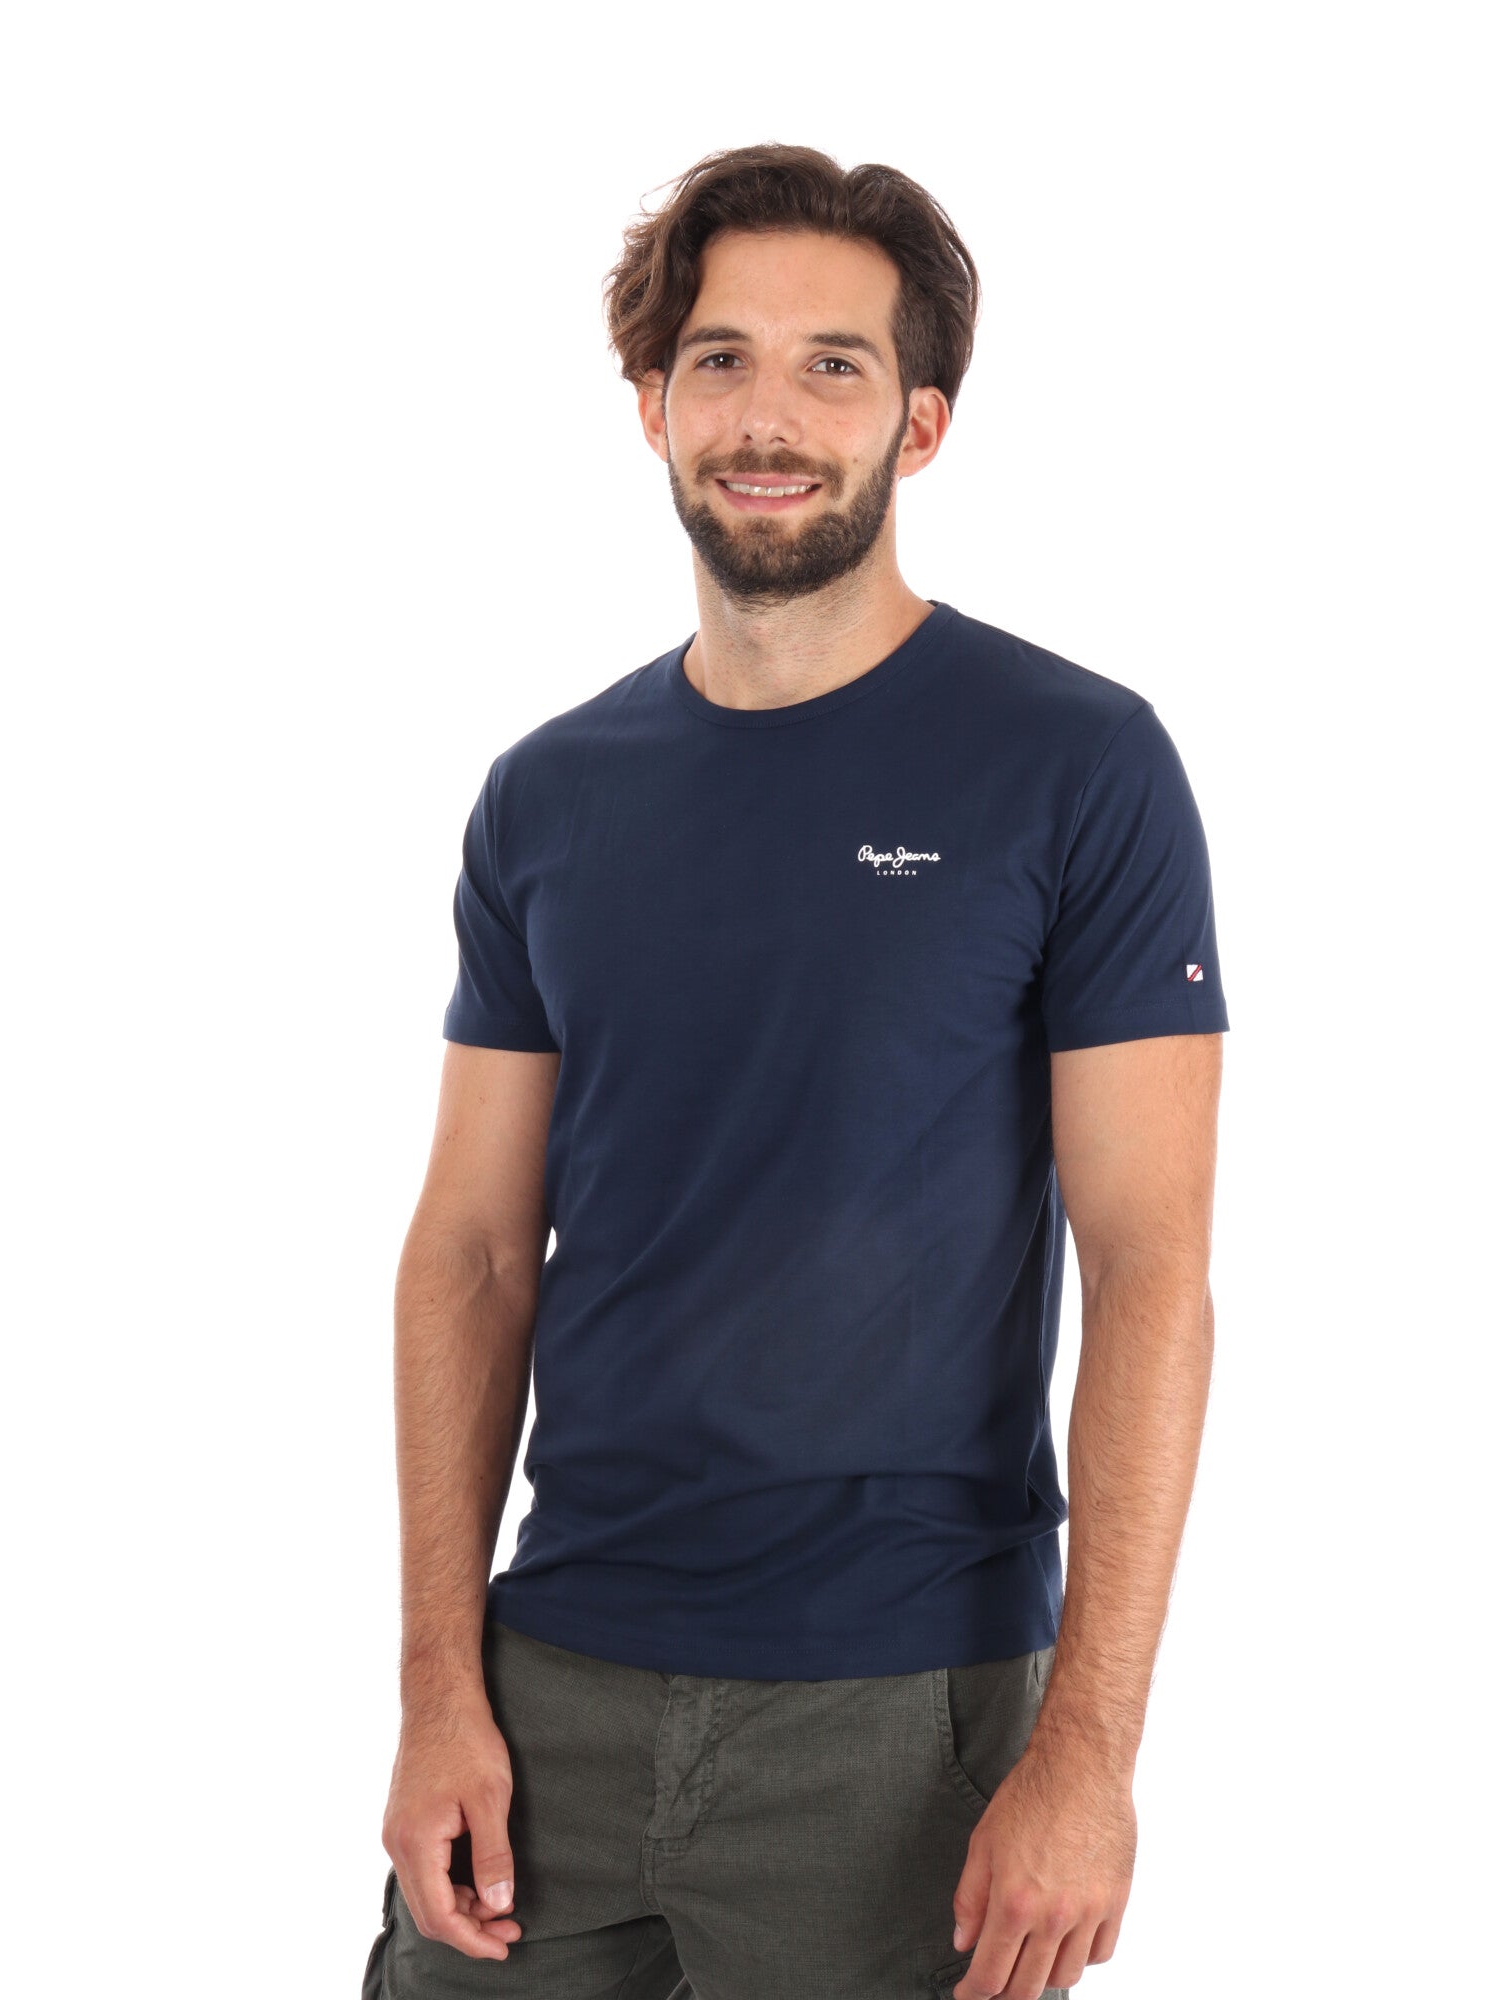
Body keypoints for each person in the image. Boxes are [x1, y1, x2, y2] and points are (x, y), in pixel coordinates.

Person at [363, 143, 1228, 2000]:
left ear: (921, 423)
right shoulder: (545, 796)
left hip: (900, 1721)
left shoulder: (1077, 764)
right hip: (548, 1697)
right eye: (721, 359)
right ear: (653, 406)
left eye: (833, 364)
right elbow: (473, 1256)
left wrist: (1089, 1755)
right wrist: (439, 1686)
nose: (769, 417)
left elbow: (1151, 1267)